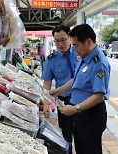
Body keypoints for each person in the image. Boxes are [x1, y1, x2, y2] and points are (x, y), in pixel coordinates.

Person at [49, 24, 110, 154]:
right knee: (81, 148)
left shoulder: (98, 63)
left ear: (88, 42)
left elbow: (99, 95)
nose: (74, 49)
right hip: (81, 112)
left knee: (90, 149)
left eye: (76, 45)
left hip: (90, 114)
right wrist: (58, 91)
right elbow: (76, 81)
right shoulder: (85, 59)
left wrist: (76, 109)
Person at [41, 25, 79, 154]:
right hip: (63, 102)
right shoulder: (52, 59)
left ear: (70, 37)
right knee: (66, 137)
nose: (60, 44)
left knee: (82, 136)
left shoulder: (80, 53)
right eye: (57, 41)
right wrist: (46, 103)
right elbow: (47, 82)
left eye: (63, 40)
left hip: (81, 101)